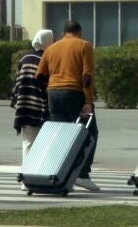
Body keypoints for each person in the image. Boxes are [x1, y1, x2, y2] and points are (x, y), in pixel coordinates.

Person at [35, 20, 100, 192]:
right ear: (79, 32)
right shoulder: (84, 45)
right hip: (74, 93)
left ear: (63, 33)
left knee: (59, 136)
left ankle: (58, 174)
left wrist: (51, 88)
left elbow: (40, 75)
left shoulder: (51, 48)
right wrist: (88, 101)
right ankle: (82, 174)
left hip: (54, 93)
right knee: (89, 132)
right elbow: (87, 76)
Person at [12, 29, 53, 172]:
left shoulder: (24, 58)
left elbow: (17, 82)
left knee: (28, 142)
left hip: (24, 105)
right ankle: (37, 173)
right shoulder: (46, 59)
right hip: (40, 106)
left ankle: (26, 175)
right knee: (44, 142)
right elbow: (47, 83)